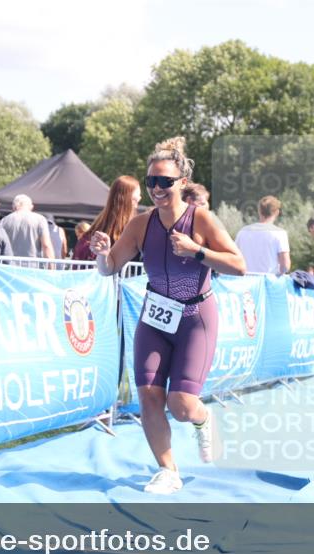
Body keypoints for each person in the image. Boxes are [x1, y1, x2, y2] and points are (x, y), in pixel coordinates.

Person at [91, 137, 246, 494]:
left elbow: (239, 265)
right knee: (148, 396)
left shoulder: (201, 219)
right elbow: (110, 267)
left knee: (181, 406)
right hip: (156, 316)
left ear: (182, 183)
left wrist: (197, 251)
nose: (157, 188)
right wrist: (102, 253)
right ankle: (167, 470)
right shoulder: (140, 224)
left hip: (195, 316)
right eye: (151, 181)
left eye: (165, 181)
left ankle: (203, 418)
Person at [75, 176, 141, 261]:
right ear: (128, 200)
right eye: (136, 200)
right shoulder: (135, 228)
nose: (139, 199)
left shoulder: (95, 230)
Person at [235, 196, 290, 276]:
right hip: (268, 281)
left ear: (259, 211)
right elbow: (285, 266)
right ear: (277, 212)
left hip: (245, 280)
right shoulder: (280, 234)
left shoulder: (242, 232)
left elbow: (234, 258)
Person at [0, 194, 55, 260]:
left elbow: (0, 244)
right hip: (32, 264)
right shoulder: (40, 219)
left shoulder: (4, 221)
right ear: (31, 207)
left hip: (8, 263)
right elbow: (46, 245)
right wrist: (51, 265)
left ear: (14, 207)